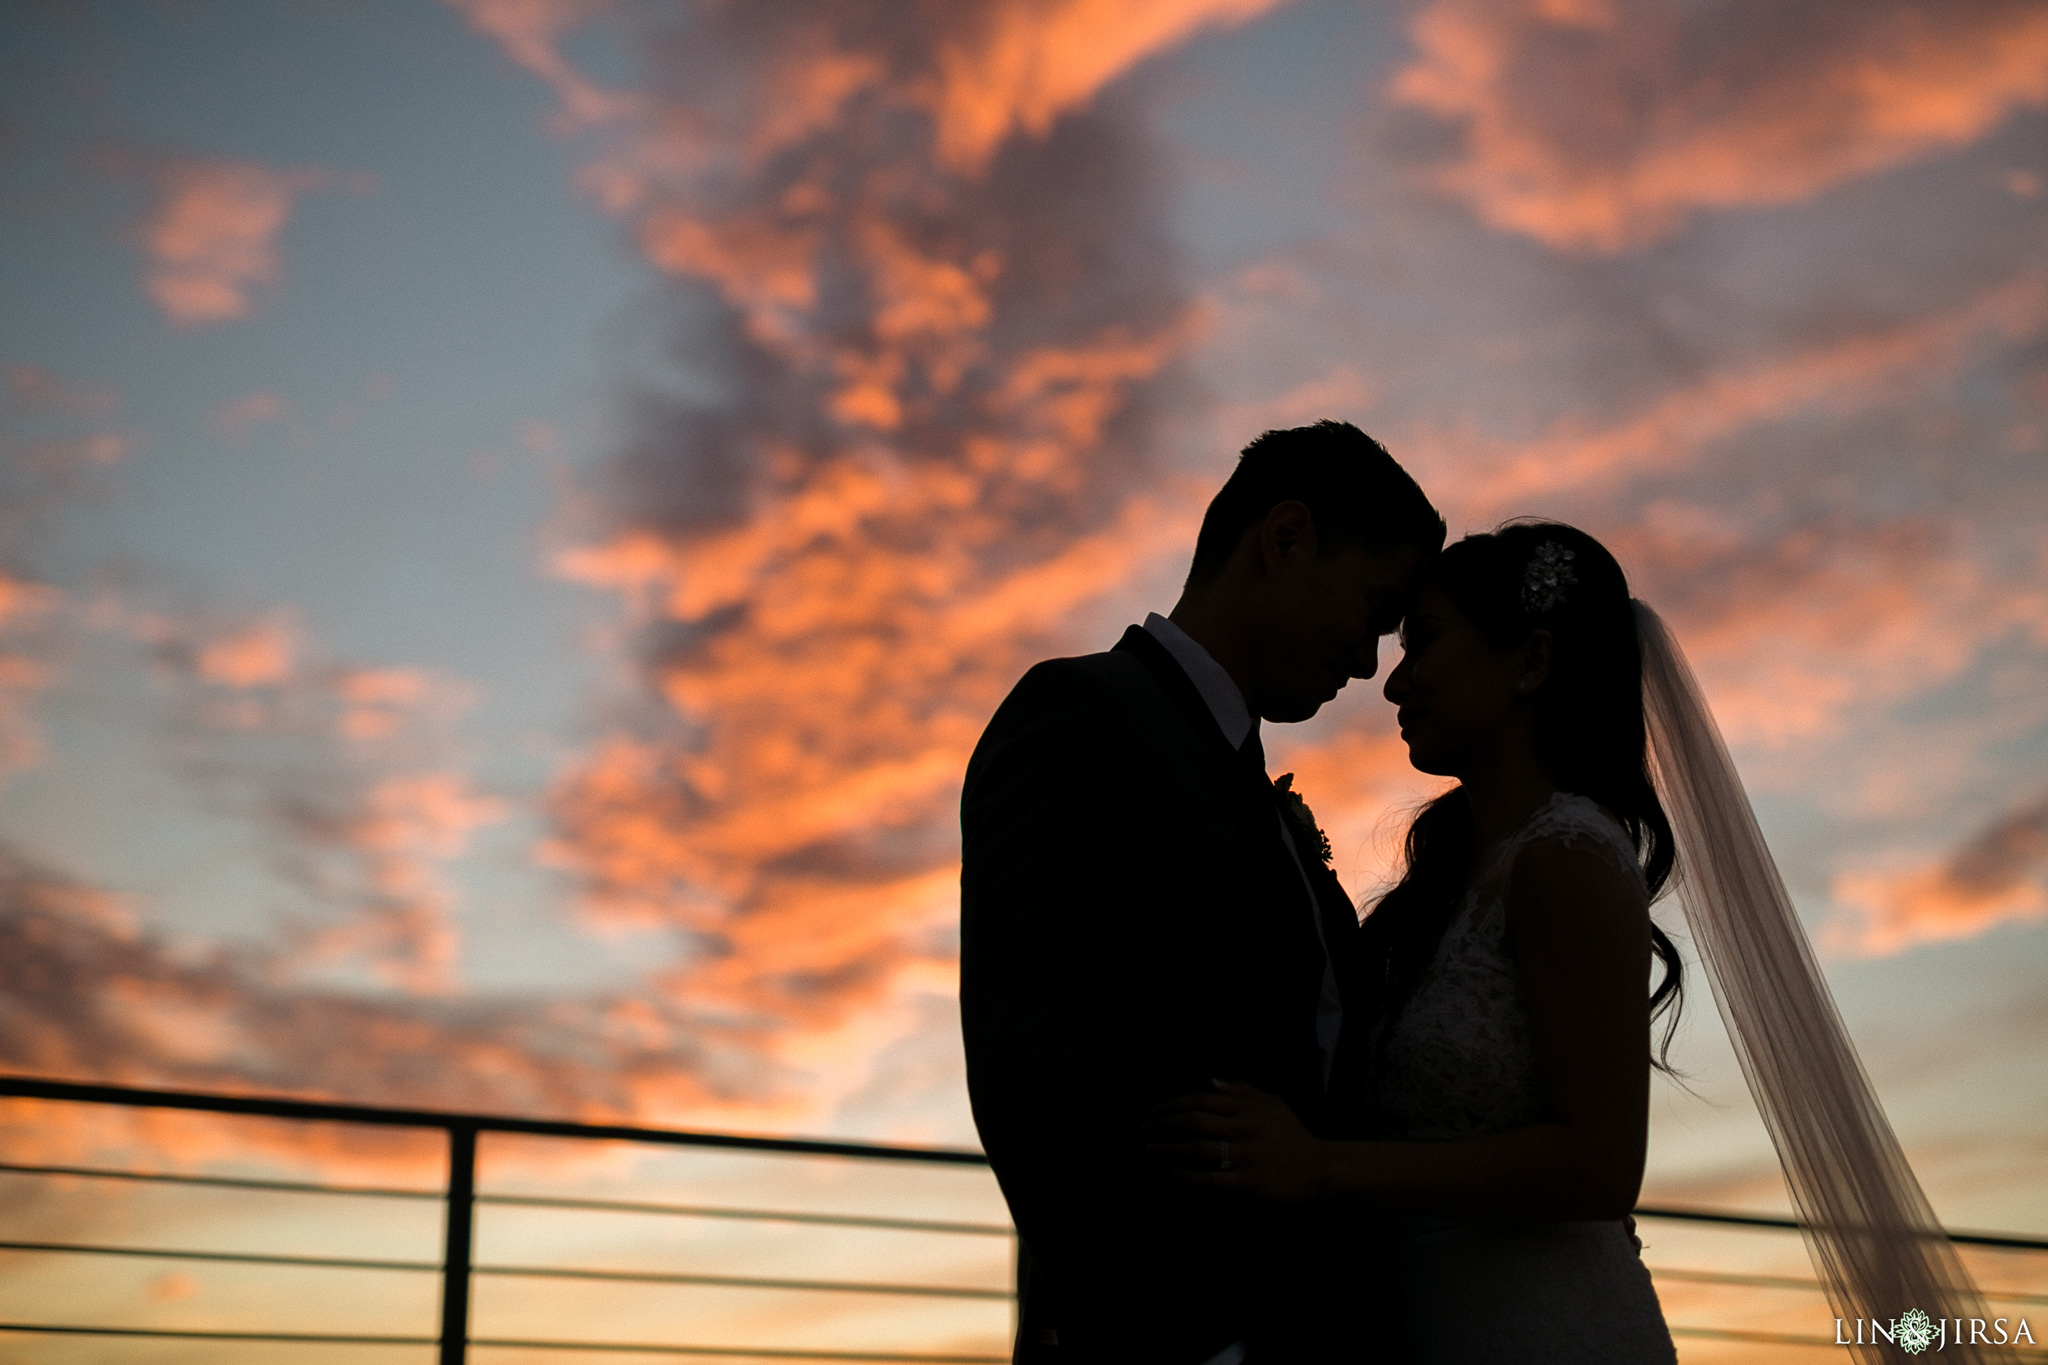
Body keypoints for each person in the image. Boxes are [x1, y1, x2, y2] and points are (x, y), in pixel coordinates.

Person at [1151, 521, 2004, 1364]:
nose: (1395, 681)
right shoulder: (1453, 879)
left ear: (1530, 662)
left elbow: (1597, 1165)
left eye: (1427, 644)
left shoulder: (1568, 859)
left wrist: (1321, 1168)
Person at [959, 420, 1445, 1364]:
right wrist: (1191, 1347)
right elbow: (1043, 1078)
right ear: (1287, 538)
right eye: (1373, 612)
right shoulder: (1084, 717)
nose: (1365, 664)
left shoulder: (1251, 792)